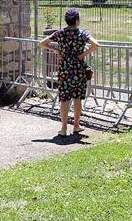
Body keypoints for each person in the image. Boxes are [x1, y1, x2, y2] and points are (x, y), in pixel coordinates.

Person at [40, 8, 99, 137]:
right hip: (79, 70)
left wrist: (56, 50)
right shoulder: (82, 34)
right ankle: (76, 126)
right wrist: (83, 54)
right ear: (77, 20)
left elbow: (42, 43)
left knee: (64, 98)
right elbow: (96, 44)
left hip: (65, 69)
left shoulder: (60, 33)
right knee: (77, 98)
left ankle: (64, 128)